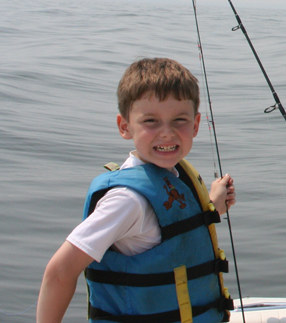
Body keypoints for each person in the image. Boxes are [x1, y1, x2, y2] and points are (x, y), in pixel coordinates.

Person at [36, 58, 236, 323]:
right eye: (151, 121)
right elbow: (59, 272)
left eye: (179, 120)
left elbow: (172, 228)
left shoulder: (177, 174)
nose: (167, 133)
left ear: (196, 124)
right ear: (124, 126)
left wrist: (212, 205)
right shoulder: (127, 201)